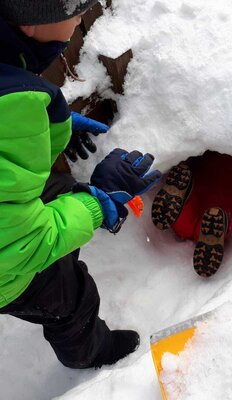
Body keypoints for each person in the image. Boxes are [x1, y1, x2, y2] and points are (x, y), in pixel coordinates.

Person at [0, 1, 161, 369]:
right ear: (29, 21)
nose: (79, 17)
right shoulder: (8, 105)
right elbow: (20, 245)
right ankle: (90, 355)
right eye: (74, 8)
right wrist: (96, 202)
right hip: (7, 266)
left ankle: (70, 227)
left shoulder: (11, 64)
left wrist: (51, 124)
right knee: (70, 297)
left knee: (58, 190)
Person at [151, 150, 232, 277]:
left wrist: (186, 165)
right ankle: (218, 224)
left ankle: (185, 197)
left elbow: (189, 154)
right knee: (212, 219)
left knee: (184, 227)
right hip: (229, 191)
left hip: (201, 180)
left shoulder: (208, 155)